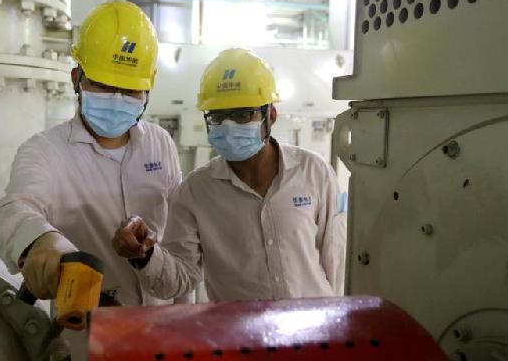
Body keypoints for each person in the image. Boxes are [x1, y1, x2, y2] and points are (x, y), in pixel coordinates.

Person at [0, 0, 187, 361]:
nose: (117, 99)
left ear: (148, 89)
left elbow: (178, 235)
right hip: (87, 342)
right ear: (76, 78)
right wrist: (41, 240)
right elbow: (15, 208)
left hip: (164, 332)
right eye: (103, 85)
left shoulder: (160, 145)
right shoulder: (45, 152)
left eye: (130, 90)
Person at [112, 47, 346, 302]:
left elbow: (335, 259)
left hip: (312, 322)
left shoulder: (313, 171)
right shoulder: (196, 192)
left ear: (271, 116)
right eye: (217, 116)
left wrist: (333, 313)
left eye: (242, 114)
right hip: (240, 327)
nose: (228, 125)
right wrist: (146, 256)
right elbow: (180, 278)